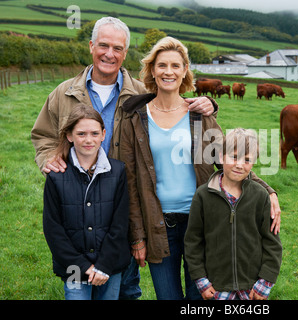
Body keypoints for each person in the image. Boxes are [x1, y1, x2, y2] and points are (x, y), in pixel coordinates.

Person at [31, 17, 217, 299]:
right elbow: (43, 134)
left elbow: (174, 100)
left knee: (126, 282)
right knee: (77, 279)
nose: (109, 53)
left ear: (125, 53)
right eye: (103, 45)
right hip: (78, 201)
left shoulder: (141, 93)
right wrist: (48, 158)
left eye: (117, 48)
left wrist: (210, 104)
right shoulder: (64, 93)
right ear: (92, 46)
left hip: (125, 202)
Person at [119, 36, 281, 300]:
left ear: (185, 71)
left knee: (202, 299)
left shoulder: (199, 115)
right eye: (161, 65)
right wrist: (137, 235)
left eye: (175, 65)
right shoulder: (136, 118)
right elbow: (130, 181)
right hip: (159, 224)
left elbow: (227, 160)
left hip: (205, 221)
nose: (168, 71)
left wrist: (268, 190)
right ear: (152, 70)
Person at [42, 104, 131, 300]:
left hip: (110, 264)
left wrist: (103, 265)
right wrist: (83, 266)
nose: (88, 140)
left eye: (94, 133)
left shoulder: (117, 172)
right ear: (69, 136)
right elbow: (53, 228)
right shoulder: (56, 176)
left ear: (103, 134)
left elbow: (120, 224)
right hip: (73, 265)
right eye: (81, 134)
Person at [184, 128, 282, 300]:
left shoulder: (260, 196)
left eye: (247, 160)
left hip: (252, 289)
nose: (239, 165)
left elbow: (272, 243)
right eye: (234, 157)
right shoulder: (203, 196)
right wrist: (201, 281)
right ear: (221, 157)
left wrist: (265, 282)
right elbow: (193, 242)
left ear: (253, 163)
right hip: (216, 288)